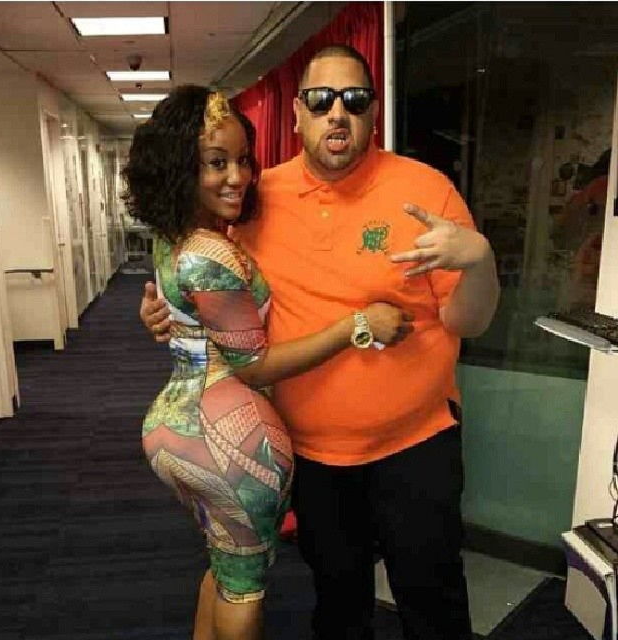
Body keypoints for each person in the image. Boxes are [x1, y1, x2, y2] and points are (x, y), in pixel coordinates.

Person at [140, 46, 499, 640]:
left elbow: (469, 322)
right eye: (321, 99)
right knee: (337, 599)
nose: (338, 112)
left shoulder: (424, 191)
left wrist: (481, 261)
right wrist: (165, 311)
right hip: (311, 452)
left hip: (414, 443)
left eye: (355, 100)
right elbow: (205, 274)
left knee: (431, 597)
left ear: (373, 113)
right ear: (298, 115)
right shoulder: (257, 196)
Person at [123, 84, 407, 640]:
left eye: (243, 160)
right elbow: (254, 365)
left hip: (176, 424)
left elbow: (182, 312)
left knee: (224, 564)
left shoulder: (173, 236)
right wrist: (357, 326)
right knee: (244, 587)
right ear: (180, 168)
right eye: (216, 163)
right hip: (227, 437)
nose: (238, 177)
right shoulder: (213, 255)